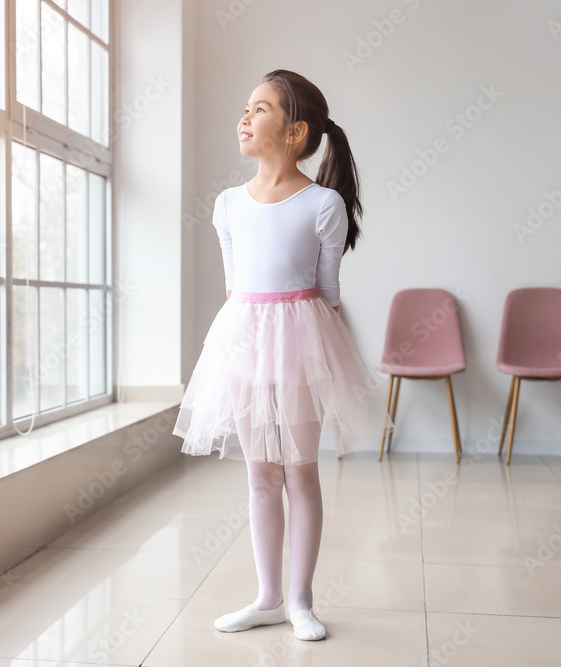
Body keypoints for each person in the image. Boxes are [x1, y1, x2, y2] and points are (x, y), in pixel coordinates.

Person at [172, 70, 393, 642]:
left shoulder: (322, 205)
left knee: (299, 472)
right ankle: (267, 596)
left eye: (260, 108)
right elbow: (234, 289)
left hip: (301, 345)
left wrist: (321, 362)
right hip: (242, 344)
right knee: (260, 474)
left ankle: (300, 599)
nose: (244, 117)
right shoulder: (226, 204)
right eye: (246, 107)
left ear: (295, 132)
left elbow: (328, 295)